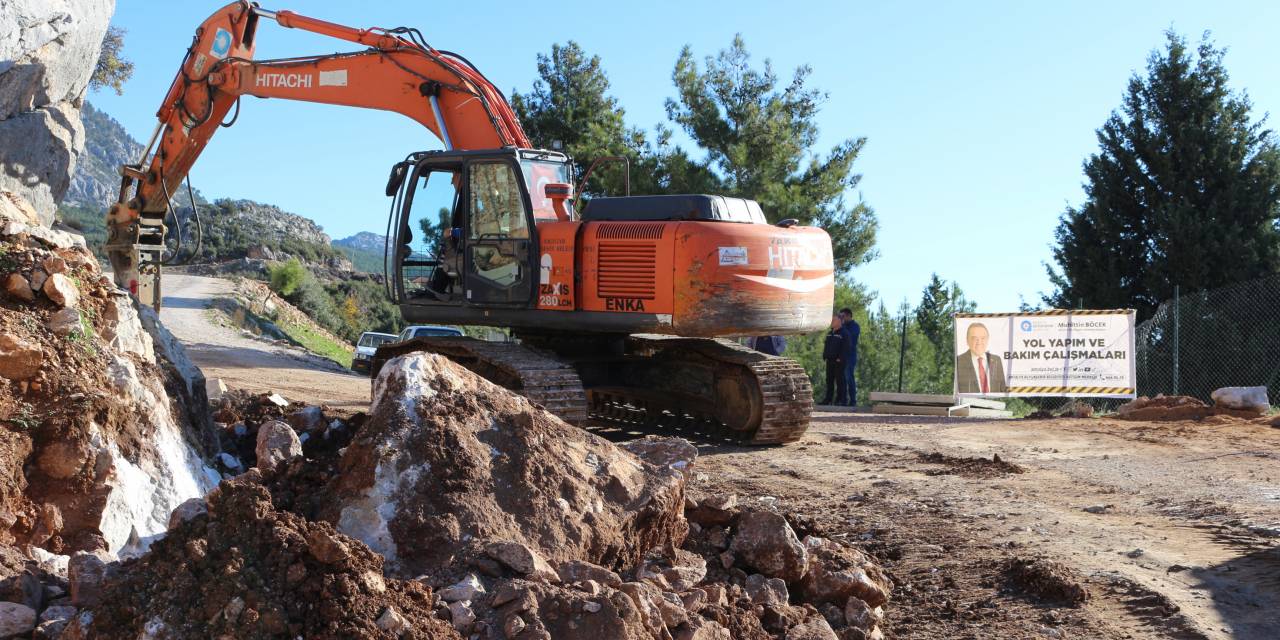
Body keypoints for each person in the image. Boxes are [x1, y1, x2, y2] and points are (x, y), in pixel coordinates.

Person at [955, 322, 1007, 394]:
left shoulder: (996, 360)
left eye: (983, 338)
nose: (979, 342)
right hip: (969, 405)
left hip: (994, 404)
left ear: (987, 339)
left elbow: (1003, 389)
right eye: (974, 338)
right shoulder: (957, 362)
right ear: (967, 341)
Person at [820, 315, 848, 405]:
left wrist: (840, 357)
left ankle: (841, 400)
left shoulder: (844, 333)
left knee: (840, 381)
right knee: (829, 381)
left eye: (834, 320)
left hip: (838, 361)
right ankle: (828, 399)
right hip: (829, 360)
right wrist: (825, 355)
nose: (831, 321)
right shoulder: (830, 333)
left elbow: (846, 347)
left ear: (839, 321)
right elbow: (826, 345)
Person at [838, 308, 860, 406]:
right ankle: (842, 400)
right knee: (841, 378)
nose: (841, 318)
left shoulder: (855, 326)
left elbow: (849, 337)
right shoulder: (842, 326)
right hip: (841, 355)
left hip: (850, 355)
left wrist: (842, 325)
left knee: (849, 377)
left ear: (848, 316)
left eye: (842, 316)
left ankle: (853, 400)